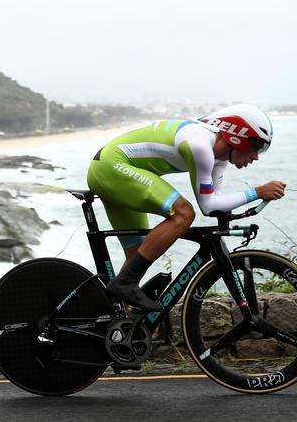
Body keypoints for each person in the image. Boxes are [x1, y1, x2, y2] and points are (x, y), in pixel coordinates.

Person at [87, 104, 286, 311]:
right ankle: (124, 284)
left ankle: (112, 319)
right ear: (237, 138)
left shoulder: (219, 158)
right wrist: (257, 192)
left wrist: (240, 207)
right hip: (112, 167)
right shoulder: (200, 146)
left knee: (139, 255)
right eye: (256, 147)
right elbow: (207, 206)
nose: (256, 156)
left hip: (115, 171)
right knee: (183, 213)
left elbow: (216, 202)